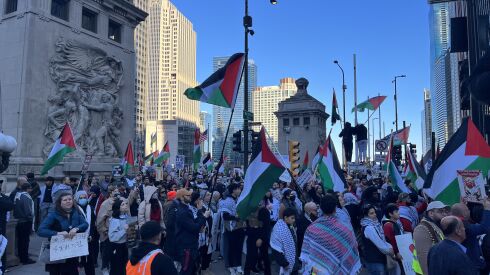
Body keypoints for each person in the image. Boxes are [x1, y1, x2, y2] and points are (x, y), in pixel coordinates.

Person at [300, 194, 360, 275]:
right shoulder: (345, 227)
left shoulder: (312, 228)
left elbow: (308, 254)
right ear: (335, 208)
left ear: (320, 208)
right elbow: (353, 246)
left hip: (319, 270)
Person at [37, 191, 89, 275]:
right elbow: (41, 231)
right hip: (57, 252)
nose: (68, 201)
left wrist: (77, 228)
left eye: (70, 199)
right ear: (59, 203)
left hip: (72, 251)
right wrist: (57, 233)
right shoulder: (53, 215)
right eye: (65, 200)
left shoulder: (76, 212)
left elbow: (85, 224)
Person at [175, 190, 209, 274]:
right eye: (188, 195)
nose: (190, 196)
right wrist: (204, 216)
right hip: (187, 247)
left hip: (191, 245)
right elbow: (195, 227)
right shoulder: (183, 212)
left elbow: (195, 222)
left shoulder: (186, 208)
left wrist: (199, 211)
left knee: (192, 269)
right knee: (186, 270)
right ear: (182, 198)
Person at [451, 200, 490, 272]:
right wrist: (487, 210)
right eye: (467, 210)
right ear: (463, 213)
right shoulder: (463, 226)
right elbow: (484, 228)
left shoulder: (453, 221)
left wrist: (462, 204)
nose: (469, 211)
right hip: (473, 264)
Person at [413, 200, 448, 275]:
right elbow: (423, 256)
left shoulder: (435, 225)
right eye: (440, 211)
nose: (444, 214)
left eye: (445, 211)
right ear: (431, 213)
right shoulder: (422, 228)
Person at [361, 204, 395, 275]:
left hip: (378, 260)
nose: (375, 215)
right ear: (365, 215)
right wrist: (390, 250)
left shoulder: (375, 224)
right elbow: (380, 244)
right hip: (375, 261)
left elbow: (382, 239)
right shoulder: (369, 228)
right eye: (371, 213)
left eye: (374, 212)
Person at [220, 183, 245, 274]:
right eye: (238, 189)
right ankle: (230, 266)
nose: (240, 190)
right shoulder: (227, 201)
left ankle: (238, 265)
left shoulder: (239, 199)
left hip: (240, 228)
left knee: (239, 248)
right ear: (233, 190)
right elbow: (225, 216)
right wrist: (236, 217)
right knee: (231, 248)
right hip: (231, 229)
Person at [96, 185, 121, 275]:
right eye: (115, 191)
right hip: (108, 233)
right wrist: (104, 230)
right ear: (111, 193)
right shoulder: (105, 204)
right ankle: (105, 267)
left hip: (119, 233)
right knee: (107, 253)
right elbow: (100, 220)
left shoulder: (121, 202)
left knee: (117, 254)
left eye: (118, 191)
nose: (117, 193)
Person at [270, 207, 298, 275]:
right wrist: (284, 263)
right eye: (292, 218)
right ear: (285, 218)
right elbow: (275, 248)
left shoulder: (290, 226)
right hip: (283, 265)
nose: (294, 220)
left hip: (294, 263)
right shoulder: (279, 229)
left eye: (294, 218)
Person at [13, 181, 35, 264]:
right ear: (28, 189)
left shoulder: (18, 195)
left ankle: (22, 256)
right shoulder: (25, 197)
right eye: (30, 188)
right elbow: (28, 211)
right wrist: (30, 218)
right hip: (25, 221)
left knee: (21, 241)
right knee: (25, 241)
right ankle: (25, 259)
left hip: (19, 220)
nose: (31, 190)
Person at [75, 191, 96, 275]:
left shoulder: (90, 208)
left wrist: (91, 234)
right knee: (77, 260)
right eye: (81, 198)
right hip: (78, 238)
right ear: (77, 199)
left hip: (89, 238)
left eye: (84, 197)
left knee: (89, 260)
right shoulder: (75, 209)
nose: (83, 199)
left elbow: (93, 223)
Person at [109, 198, 130, 275]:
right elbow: (112, 237)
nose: (125, 205)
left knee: (124, 265)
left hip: (124, 245)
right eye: (123, 204)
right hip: (116, 246)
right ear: (118, 208)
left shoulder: (126, 216)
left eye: (125, 204)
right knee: (116, 268)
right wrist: (124, 230)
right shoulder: (115, 220)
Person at [382, 203, 404, 275]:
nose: (398, 213)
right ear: (390, 214)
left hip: (401, 252)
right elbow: (390, 241)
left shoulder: (396, 223)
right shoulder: (388, 225)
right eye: (396, 212)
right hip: (396, 255)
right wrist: (396, 252)